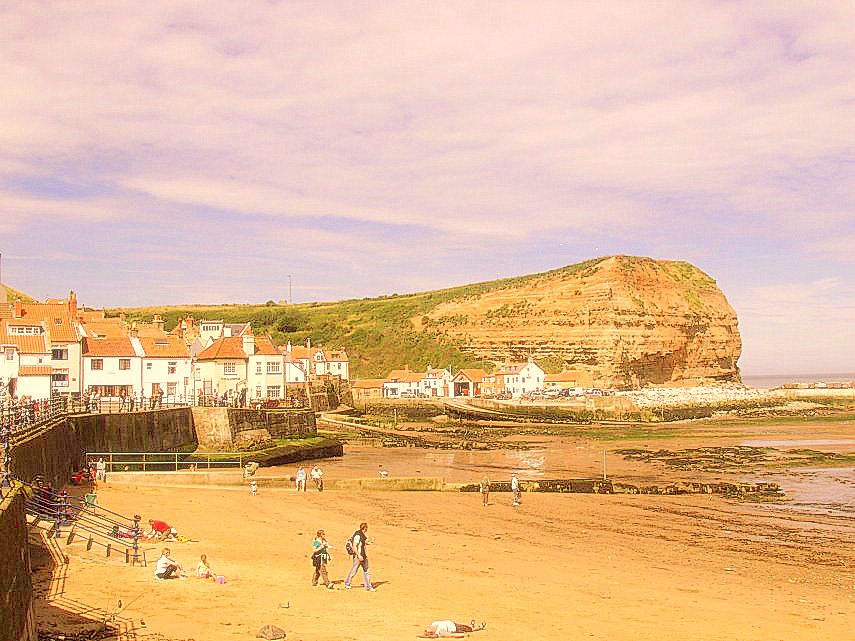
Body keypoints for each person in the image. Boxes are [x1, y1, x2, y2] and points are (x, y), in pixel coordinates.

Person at [344, 522, 375, 591]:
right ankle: (347, 583)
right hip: (358, 556)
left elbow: (362, 543)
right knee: (354, 570)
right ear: (365, 528)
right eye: (367, 527)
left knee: (366, 570)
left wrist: (368, 543)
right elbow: (355, 546)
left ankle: (368, 587)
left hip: (363, 556)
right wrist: (359, 555)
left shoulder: (362, 535)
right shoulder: (358, 535)